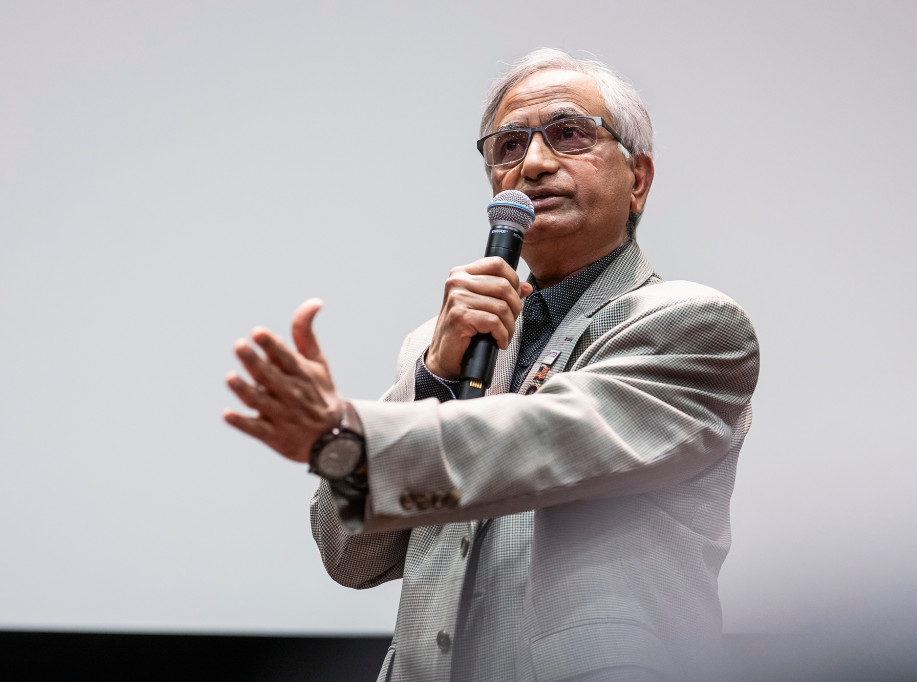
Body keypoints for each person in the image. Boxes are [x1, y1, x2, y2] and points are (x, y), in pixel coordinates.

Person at [225, 48, 759, 682]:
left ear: (638, 179)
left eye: (569, 134)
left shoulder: (691, 324)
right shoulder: (441, 344)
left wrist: (348, 436)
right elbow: (351, 558)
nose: (532, 164)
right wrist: (431, 380)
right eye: (508, 146)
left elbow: (545, 442)